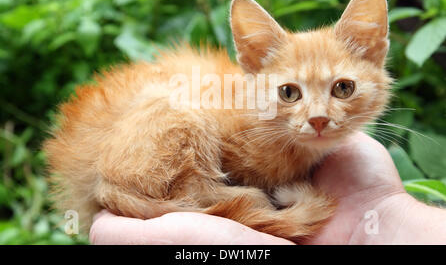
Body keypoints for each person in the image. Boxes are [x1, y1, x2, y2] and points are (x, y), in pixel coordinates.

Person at [89, 132, 446, 245]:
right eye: (289, 92)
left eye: (342, 88)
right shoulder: (255, 135)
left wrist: (383, 212)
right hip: (137, 162)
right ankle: (193, 189)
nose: (318, 116)